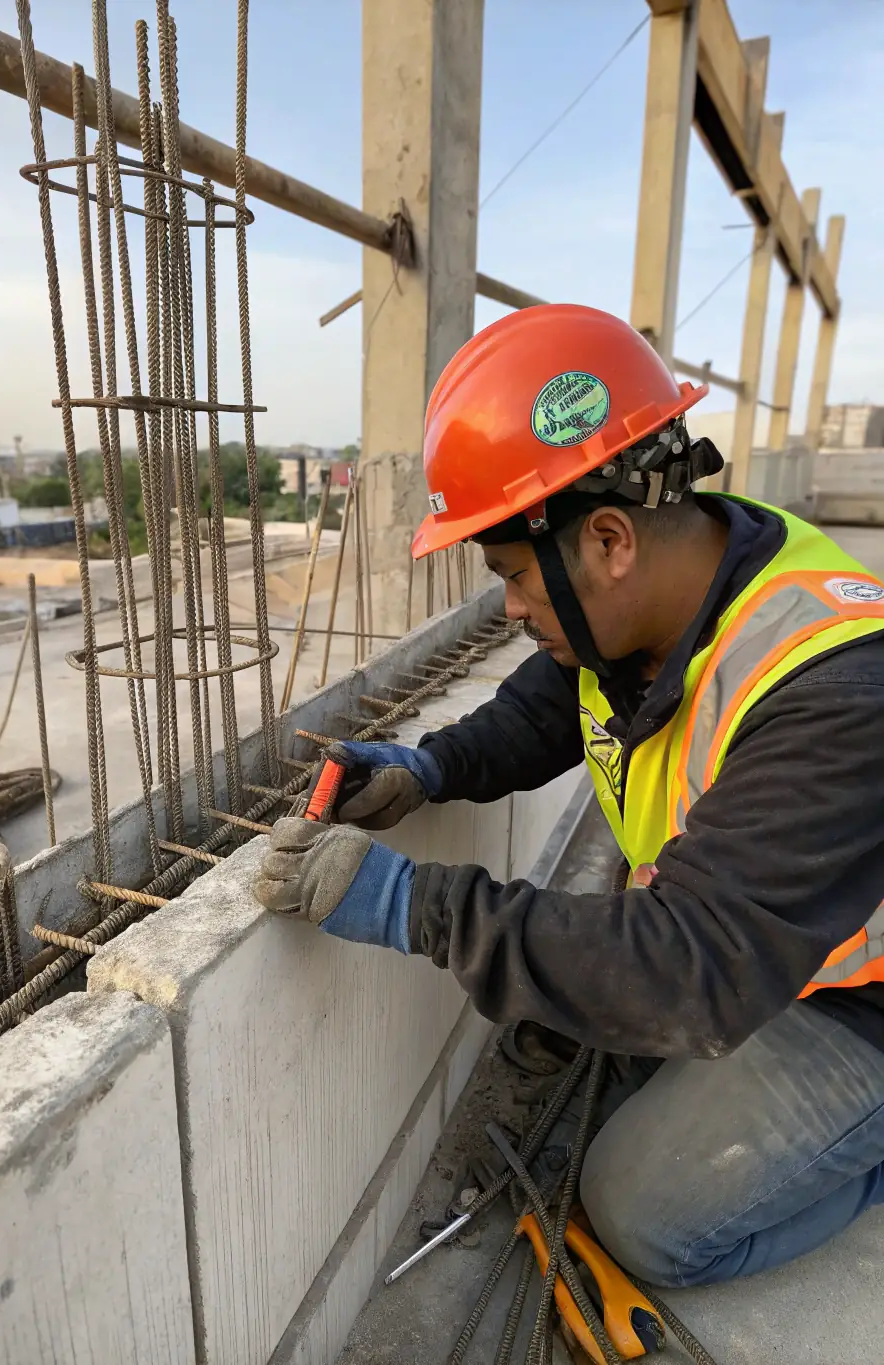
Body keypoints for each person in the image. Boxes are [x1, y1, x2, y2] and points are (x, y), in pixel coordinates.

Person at [254, 303, 884, 1288]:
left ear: (606, 541)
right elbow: (532, 720)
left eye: (511, 576)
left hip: (853, 1001)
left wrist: (411, 906)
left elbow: (693, 972)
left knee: (646, 1216)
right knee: (566, 1024)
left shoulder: (830, 684)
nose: (508, 608)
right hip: (749, 943)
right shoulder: (643, 604)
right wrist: (429, 769)